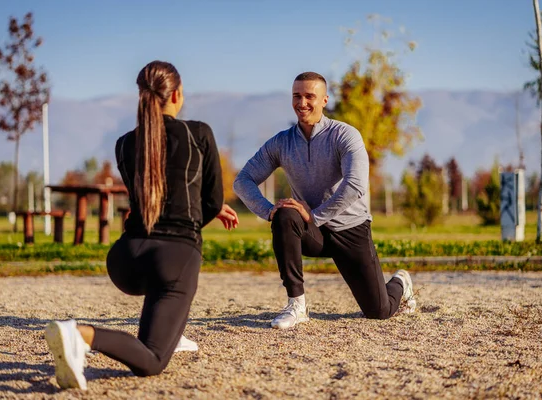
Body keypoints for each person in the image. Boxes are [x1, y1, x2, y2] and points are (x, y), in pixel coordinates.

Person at [45, 60, 239, 390]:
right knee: (151, 360)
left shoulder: (124, 143)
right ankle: (79, 334)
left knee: (163, 286)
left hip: (126, 259)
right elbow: (209, 201)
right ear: (177, 94)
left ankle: (170, 330)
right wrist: (201, 215)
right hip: (173, 257)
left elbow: (148, 195)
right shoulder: (199, 132)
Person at [233, 72, 416, 330]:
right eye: (297, 96)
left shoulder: (345, 135)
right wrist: (268, 211)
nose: (302, 102)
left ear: (324, 100)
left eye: (310, 96)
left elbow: (356, 185)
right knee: (285, 215)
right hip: (312, 232)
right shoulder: (281, 142)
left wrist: (314, 215)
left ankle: (401, 282)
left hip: (350, 229)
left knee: (379, 311)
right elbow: (243, 180)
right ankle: (297, 305)